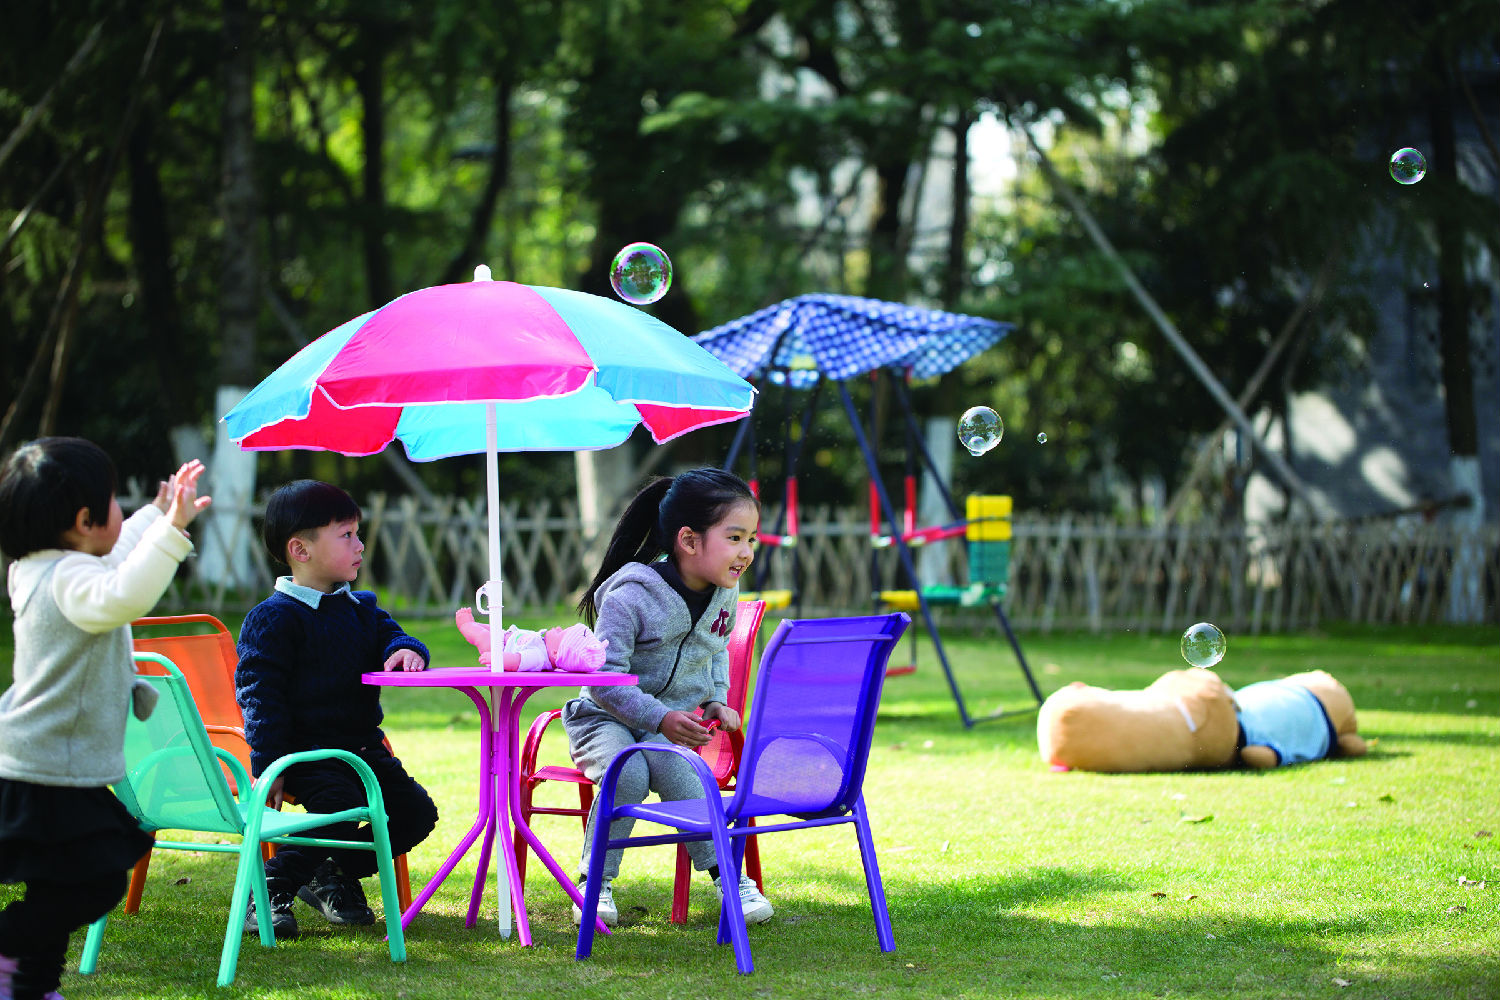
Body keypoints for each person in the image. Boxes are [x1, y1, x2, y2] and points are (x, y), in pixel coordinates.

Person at [0, 438, 210, 1000]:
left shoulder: (49, 567)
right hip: (48, 766)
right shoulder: (68, 579)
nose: (122, 509)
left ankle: (29, 985)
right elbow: (125, 591)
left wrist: (153, 516)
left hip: (49, 760)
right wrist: (171, 530)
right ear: (83, 520)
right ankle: (12, 952)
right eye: (115, 501)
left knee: (59, 882)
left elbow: (116, 562)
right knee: (94, 879)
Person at [562, 467, 773, 927]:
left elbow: (716, 647)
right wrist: (660, 718)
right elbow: (603, 679)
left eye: (751, 539)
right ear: (689, 540)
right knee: (628, 772)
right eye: (735, 538)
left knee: (684, 771)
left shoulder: (724, 590)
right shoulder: (631, 594)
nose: (746, 552)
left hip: (665, 724)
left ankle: (728, 877)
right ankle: (594, 883)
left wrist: (716, 698)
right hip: (602, 718)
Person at [234, 480, 438, 939]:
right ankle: (268, 886)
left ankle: (330, 871)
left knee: (415, 813)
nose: (359, 545)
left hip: (364, 750)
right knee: (341, 808)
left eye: (357, 533)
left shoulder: (360, 608)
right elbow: (259, 696)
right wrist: (270, 766)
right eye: (346, 535)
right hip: (307, 754)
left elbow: (394, 634)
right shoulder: (273, 618)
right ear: (300, 550)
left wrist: (406, 649)